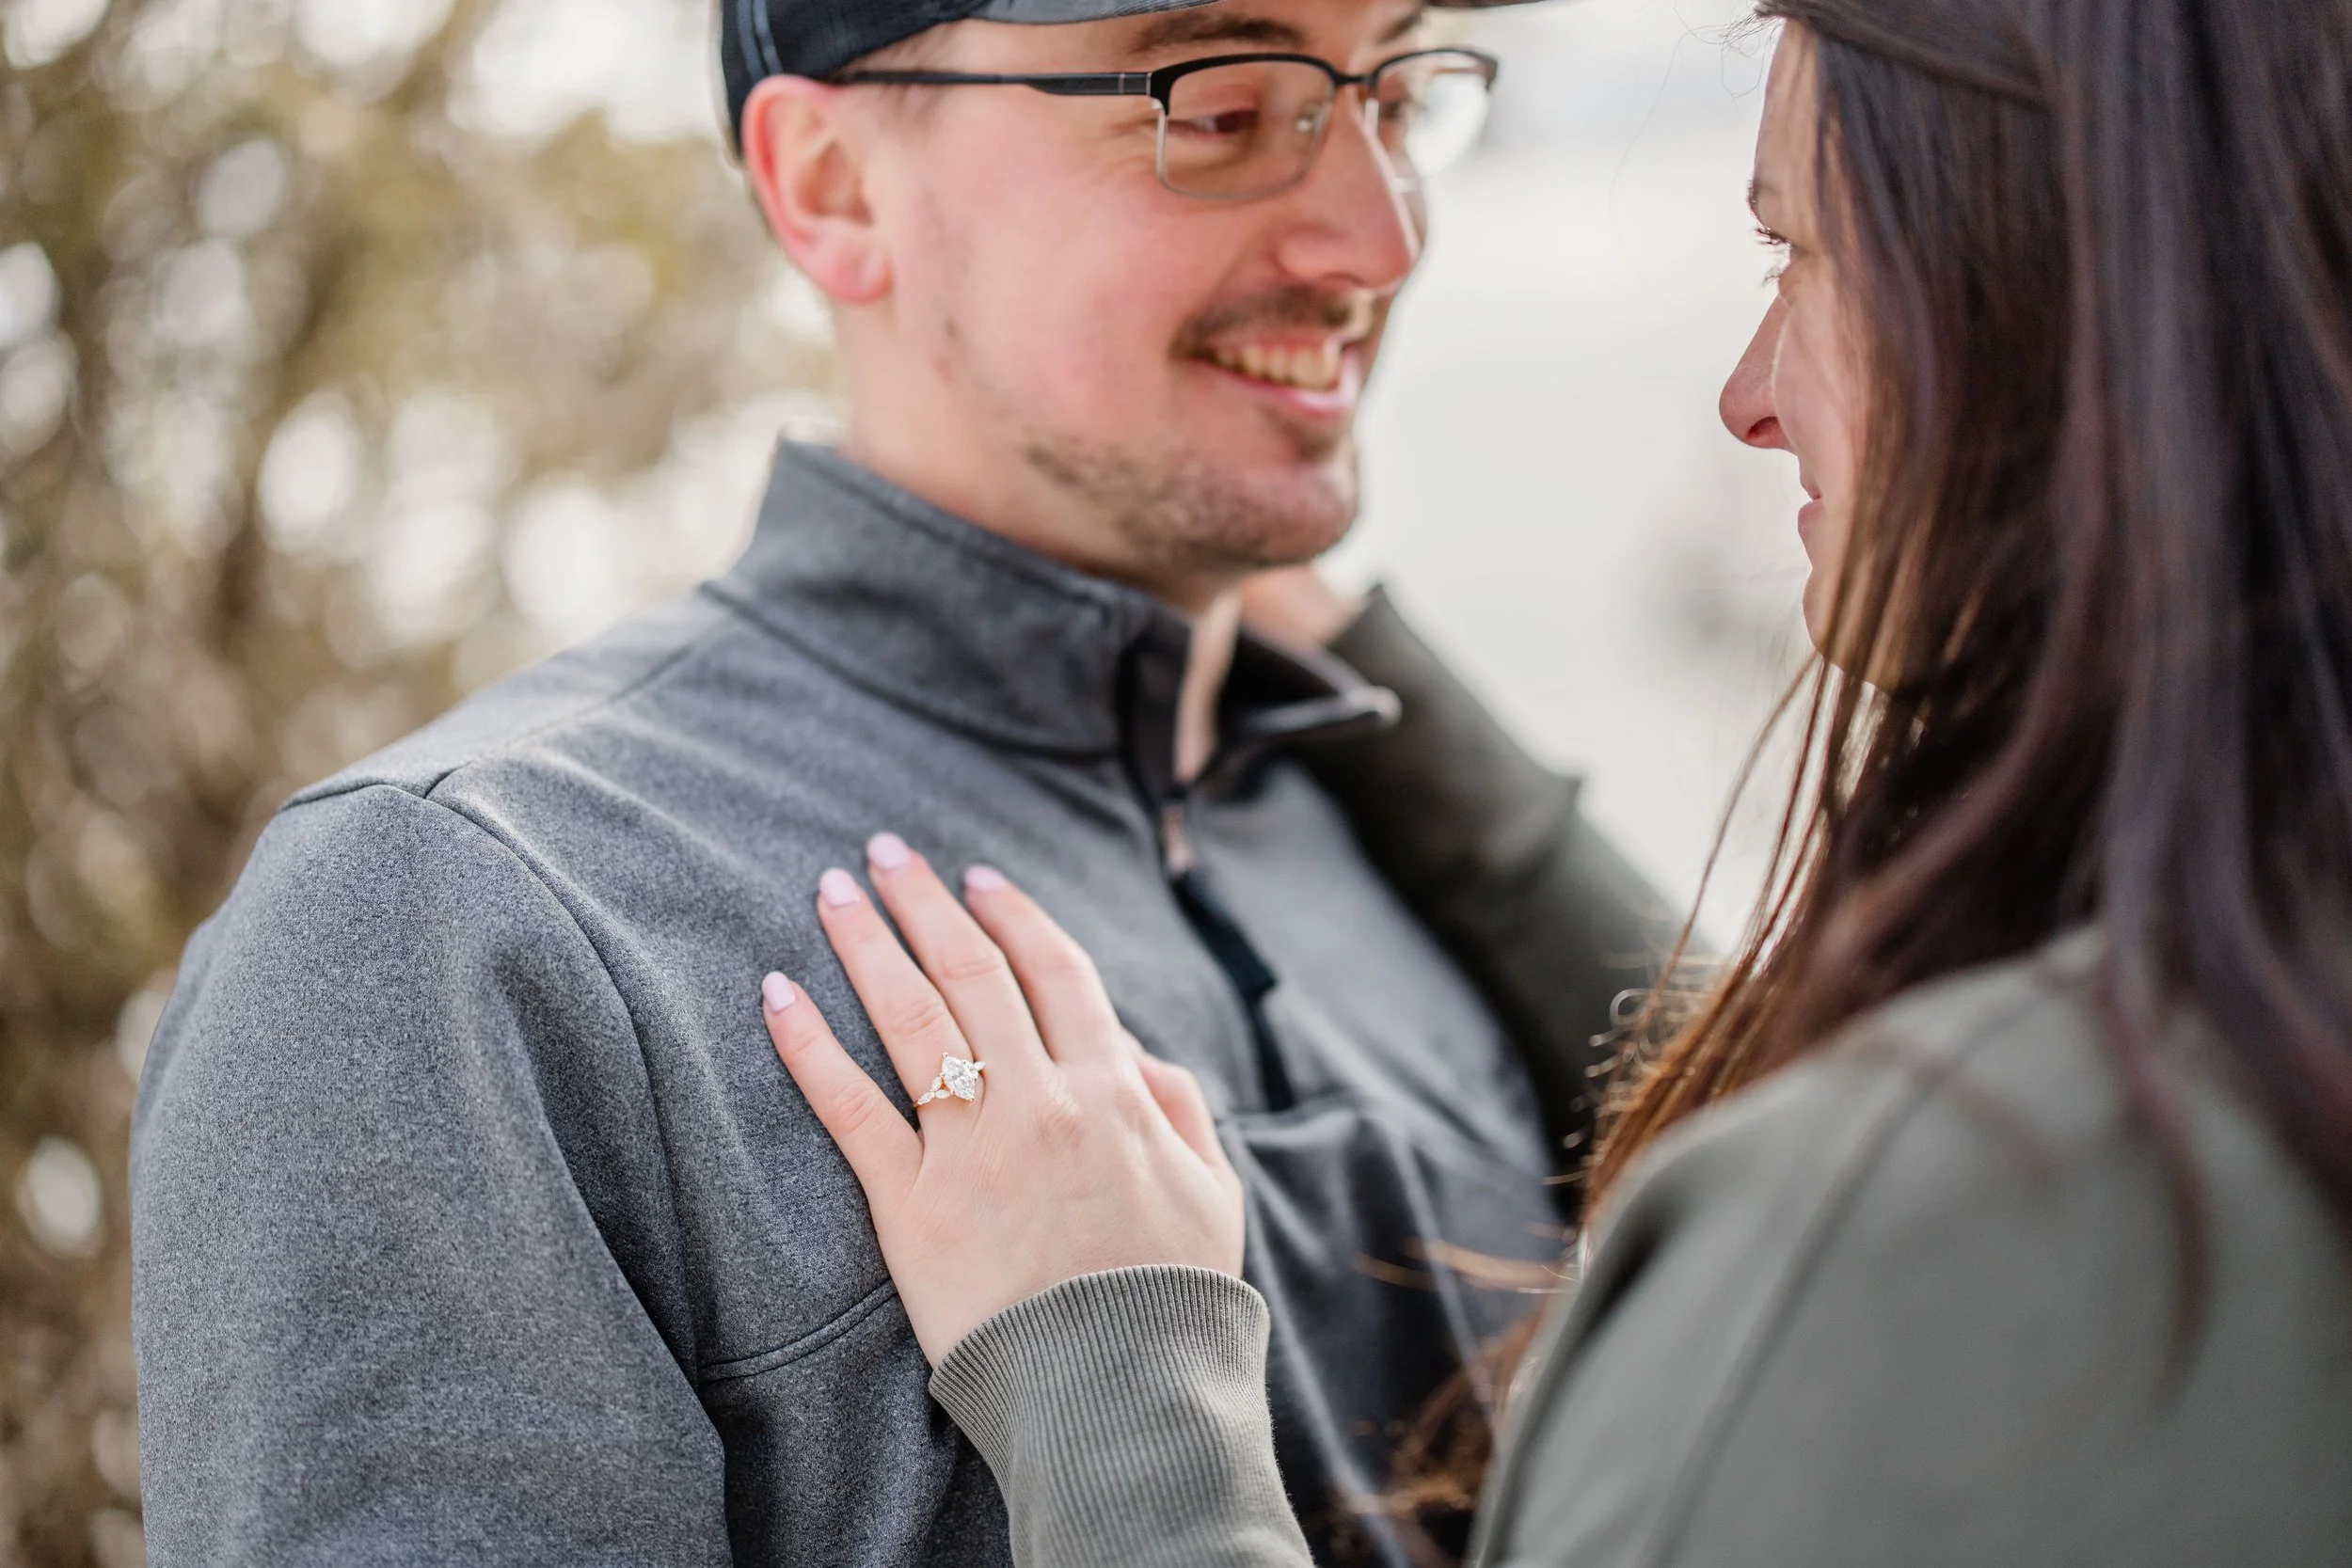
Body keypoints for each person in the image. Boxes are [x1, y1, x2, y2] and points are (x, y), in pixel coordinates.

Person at [766, 2, 2352, 1564]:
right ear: (829, 186)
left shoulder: (1921, 1228)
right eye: (1223, 103)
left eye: (1798, 254)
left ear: (2066, 305)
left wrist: (1113, 1396)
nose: (1749, 388)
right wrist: (1400, 713)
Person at [128, 0, 1680, 1563]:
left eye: (1398, 99)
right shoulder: (457, 931)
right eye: (1222, 107)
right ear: (832, 186)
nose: (1380, 237)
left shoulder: (1395, 846)